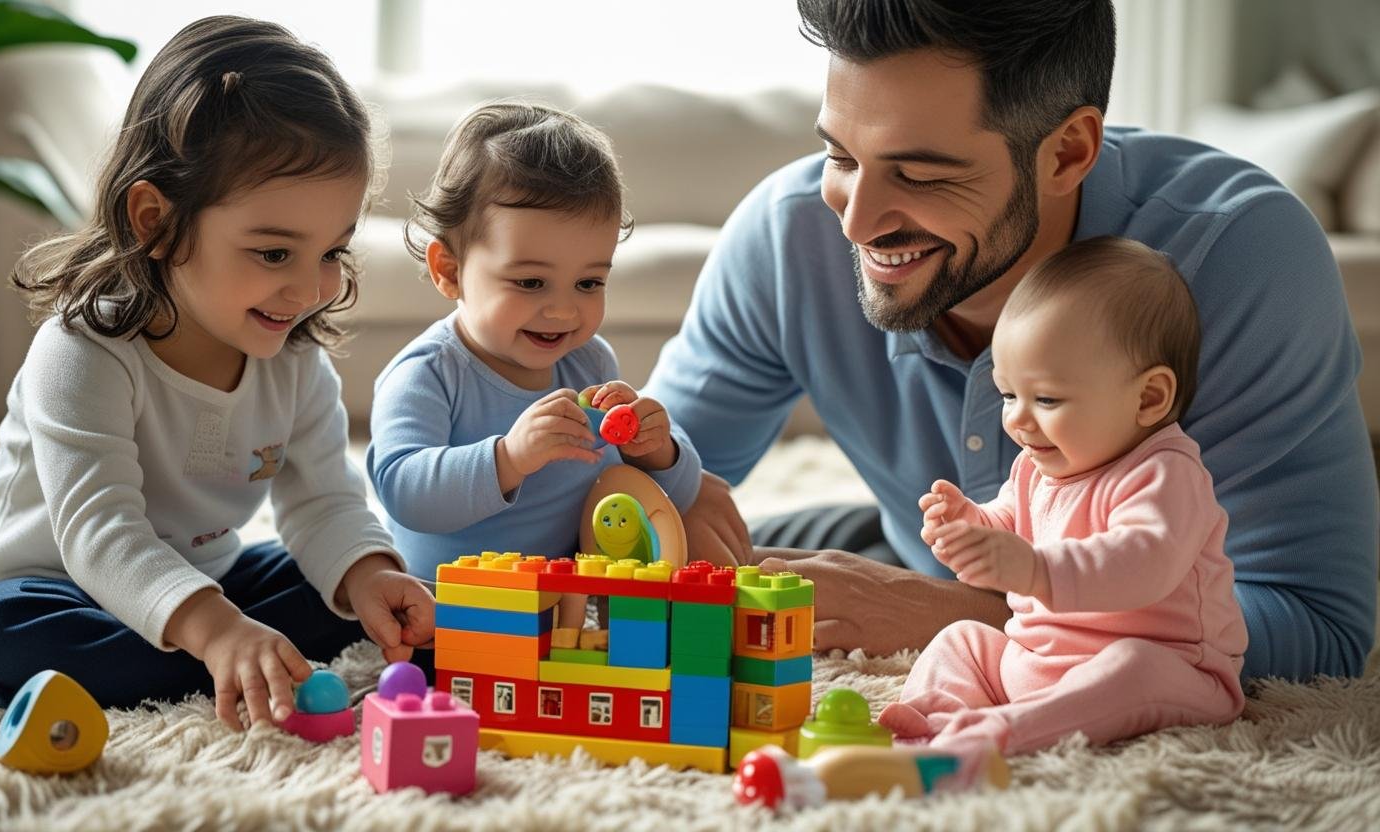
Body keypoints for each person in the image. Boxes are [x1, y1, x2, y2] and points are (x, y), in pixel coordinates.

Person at [644, 0, 1377, 679]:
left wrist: (947, 616)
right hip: (909, 547)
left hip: (1115, 586)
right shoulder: (786, 236)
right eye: (840, 157)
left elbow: (1319, 627)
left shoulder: (1239, 256)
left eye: (921, 173)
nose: (855, 222)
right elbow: (637, 483)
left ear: (1065, 153)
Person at [0, 17, 435, 731]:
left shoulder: (296, 361)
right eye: (273, 254)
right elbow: (101, 534)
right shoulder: (82, 350)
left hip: (209, 582)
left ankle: (235, 653)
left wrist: (368, 576)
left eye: (332, 250)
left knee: (354, 578)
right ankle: (232, 657)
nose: (311, 289)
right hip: (62, 586)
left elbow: (324, 502)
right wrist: (221, 631)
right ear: (157, 221)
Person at [878, 237, 1247, 753]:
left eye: (1046, 398)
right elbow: (1011, 526)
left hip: (1171, 669)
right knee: (963, 638)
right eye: (1008, 394)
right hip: (1041, 662)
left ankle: (1000, 734)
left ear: (1149, 398)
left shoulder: (1166, 472)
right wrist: (971, 529)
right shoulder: (1038, 466)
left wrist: (1033, 570)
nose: (1018, 419)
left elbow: (1143, 563)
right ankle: (929, 719)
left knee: (1134, 668)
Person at [366, 102, 703, 583]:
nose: (564, 311)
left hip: (563, 602)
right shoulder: (427, 373)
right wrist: (509, 458)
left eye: (589, 283)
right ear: (450, 271)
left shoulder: (588, 362)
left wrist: (656, 450)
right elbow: (402, 491)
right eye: (529, 283)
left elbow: (677, 497)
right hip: (448, 604)